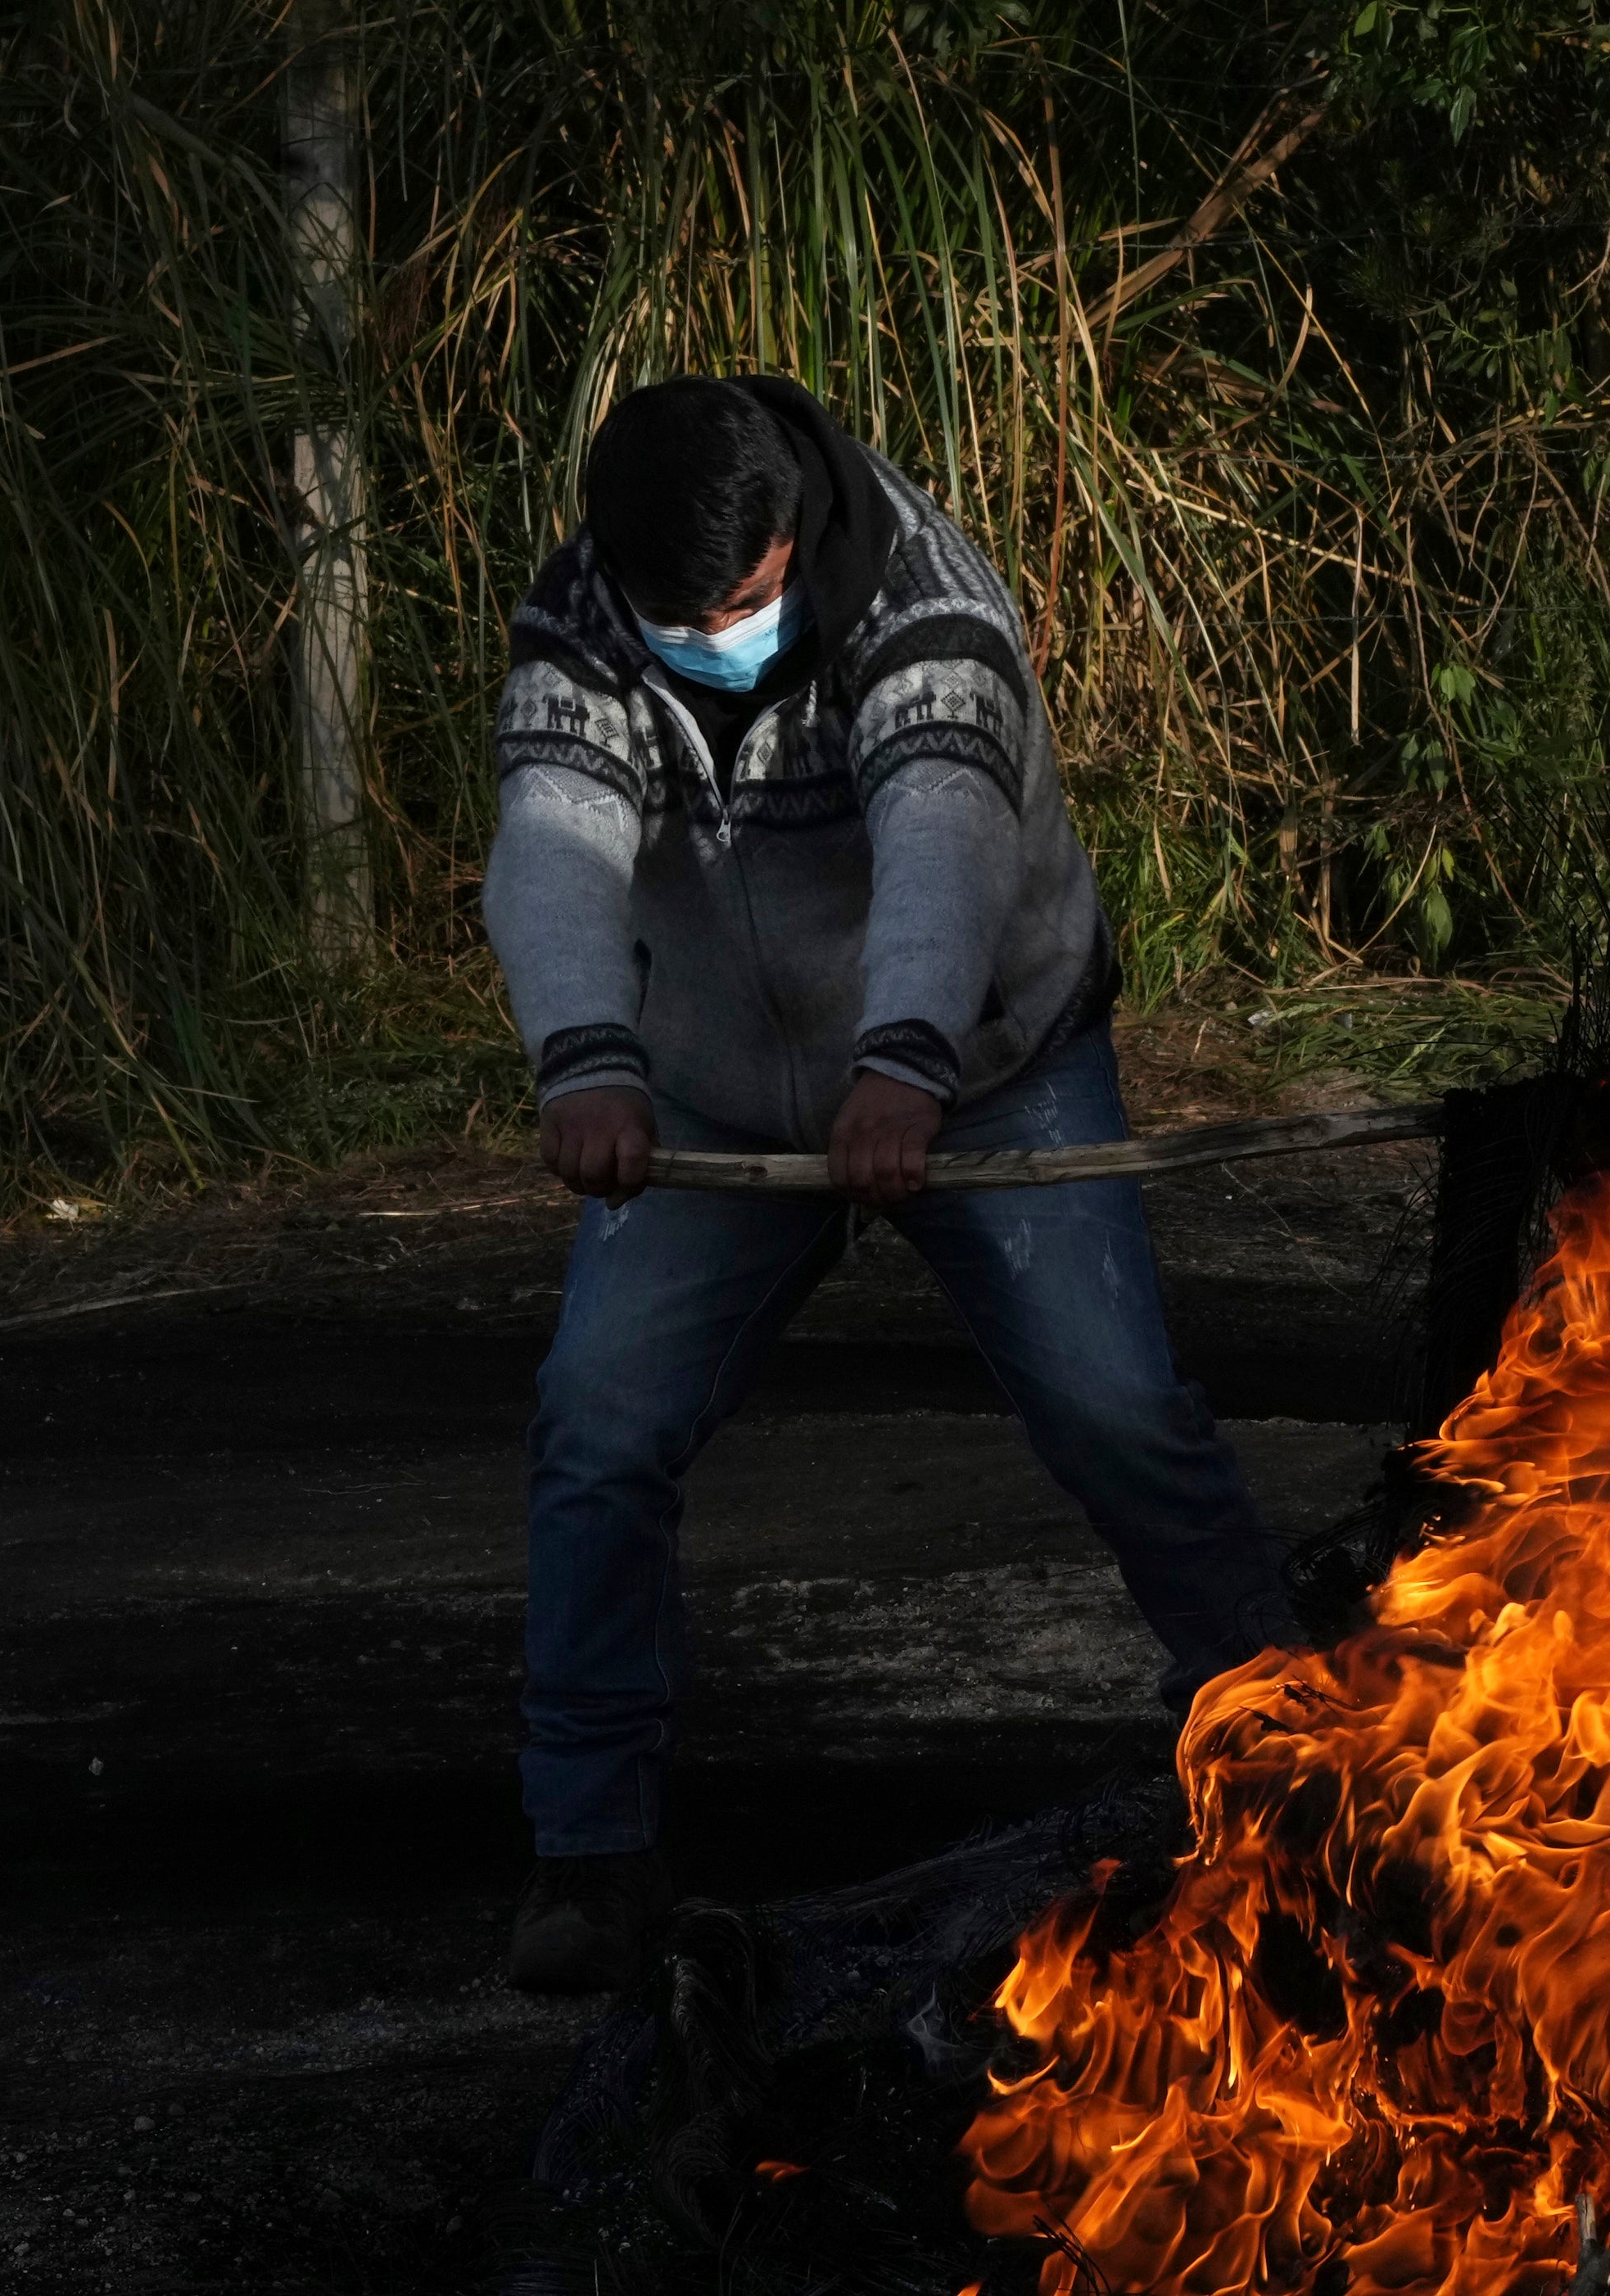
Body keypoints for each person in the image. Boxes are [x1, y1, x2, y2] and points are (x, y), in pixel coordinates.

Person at [478, 373, 1294, 1993]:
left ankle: (1305, 1746)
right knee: (597, 1426)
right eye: (680, 615)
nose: (716, 633)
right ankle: (589, 1855)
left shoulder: (932, 607)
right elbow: (556, 827)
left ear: (794, 531)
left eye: (745, 603)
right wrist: (587, 1053)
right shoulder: (588, 604)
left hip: (984, 1066)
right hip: (715, 1087)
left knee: (1121, 1417)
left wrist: (904, 1060)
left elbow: (944, 839)